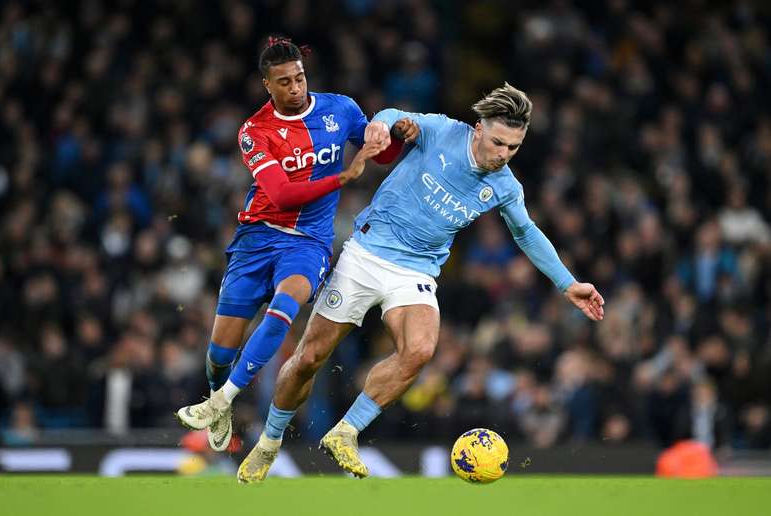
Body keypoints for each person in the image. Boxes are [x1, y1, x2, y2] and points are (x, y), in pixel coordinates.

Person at [233, 82, 606, 482]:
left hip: (417, 271)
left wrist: (567, 284)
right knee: (309, 359)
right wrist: (379, 127)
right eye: (498, 142)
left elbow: (527, 233)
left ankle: (346, 431)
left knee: (421, 350)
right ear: (478, 128)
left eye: (513, 147)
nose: (503, 154)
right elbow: (394, 116)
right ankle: (269, 442)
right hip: (367, 251)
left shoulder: (505, 186)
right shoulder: (445, 131)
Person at [174, 37, 397, 461]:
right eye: (285, 82)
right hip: (257, 240)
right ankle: (216, 393)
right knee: (219, 353)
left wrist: (392, 137)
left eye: (300, 78)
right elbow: (281, 194)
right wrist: (344, 177)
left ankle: (223, 401)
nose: (296, 88)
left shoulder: (340, 109)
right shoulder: (254, 132)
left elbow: (381, 153)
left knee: (286, 303)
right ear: (267, 85)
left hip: (308, 244)